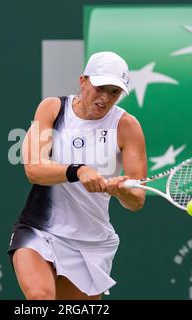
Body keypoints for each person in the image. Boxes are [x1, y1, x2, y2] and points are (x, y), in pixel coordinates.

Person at [8, 51, 147, 300]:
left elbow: (137, 199)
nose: (105, 98)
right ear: (83, 81)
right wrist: (77, 171)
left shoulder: (127, 127)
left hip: (90, 242)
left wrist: (121, 190)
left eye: (114, 92)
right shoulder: (52, 108)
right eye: (99, 87)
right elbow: (34, 169)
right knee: (40, 298)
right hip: (40, 230)